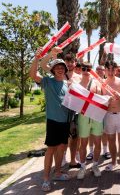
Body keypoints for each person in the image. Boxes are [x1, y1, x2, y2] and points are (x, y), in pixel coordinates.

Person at [30, 50, 70, 192]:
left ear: (65, 70)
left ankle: (58, 172)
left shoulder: (67, 84)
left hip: (65, 122)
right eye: (57, 67)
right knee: (51, 149)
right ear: (53, 70)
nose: (60, 69)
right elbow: (33, 75)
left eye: (62, 67)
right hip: (53, 121)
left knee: (61, 149)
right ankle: (46, 178)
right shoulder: (47, 81)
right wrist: (37, 58)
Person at [40, 49, 81, 169]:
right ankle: (61, 159)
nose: (69, 64)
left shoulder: (79, 76)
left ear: (75, 62)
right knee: (60, 142)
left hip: (74, 112)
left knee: (74, 137)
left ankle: (73, 160)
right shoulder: (59, 74)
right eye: (66, 62)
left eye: (71, 61)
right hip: (60, 115)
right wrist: (52, 54)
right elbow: (43, 65)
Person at [102, 60, 120, 180]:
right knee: (111, 141)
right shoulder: (101, 83)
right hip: (108, 115)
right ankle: (113, 162)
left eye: (113, 69)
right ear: (105, 70)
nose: (111, 71)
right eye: (108, 69)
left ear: (116, 70)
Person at [76, 62, 103, 179]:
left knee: (98, 142)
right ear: (80, 69)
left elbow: (103, 98)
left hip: (96, 115)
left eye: (89, 68)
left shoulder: (98, 83)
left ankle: (95, 165)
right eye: (84, 68)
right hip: (83, 116)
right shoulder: (77, 84)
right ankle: (82, 167)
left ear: (92, 70)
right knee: (83, 144)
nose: (86, 70)